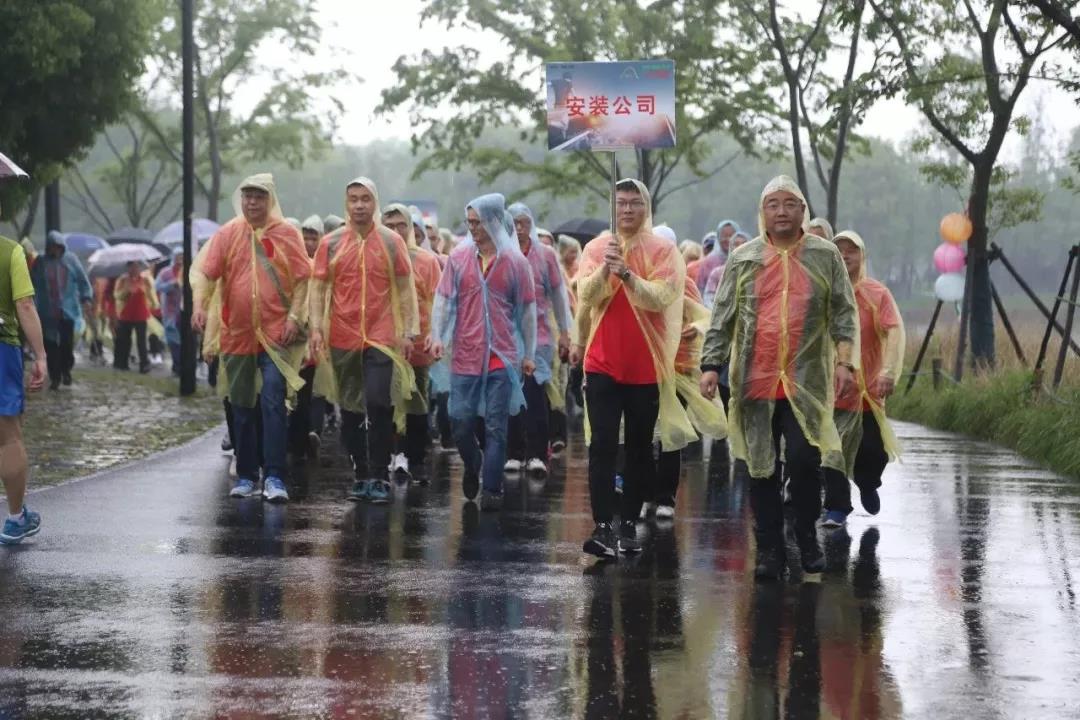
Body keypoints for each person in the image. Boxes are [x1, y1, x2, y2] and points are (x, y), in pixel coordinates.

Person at [700, 175, 858, 581]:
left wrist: (845, 362)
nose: (782, 212)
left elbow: (843, 311)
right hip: (755, 380)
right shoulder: (744, 258)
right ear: (763, 212)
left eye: (790, 204)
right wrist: (711, 364)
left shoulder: (824, 256)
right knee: (761, 467)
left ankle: (805, 535)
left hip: (806, 382)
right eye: (774, 204)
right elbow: (722, 315)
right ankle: (769, 548)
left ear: (803, 210)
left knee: (805, 461)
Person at [572, 179, 697, 559]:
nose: (627, 209)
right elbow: (586, 296)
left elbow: (662, 297)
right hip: (602, 362)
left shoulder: (664, 251)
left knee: (640, 447)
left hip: (645, 365)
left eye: (634, 203)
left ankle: (628, 521)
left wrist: (627, 274)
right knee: (602, 445)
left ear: (646, 208)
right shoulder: (597, 248)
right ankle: (602, 525)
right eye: (621, 203)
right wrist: (605, 270)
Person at [193, 173, 311, 503]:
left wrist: (294, 317)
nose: (252, 202)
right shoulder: (228, 233)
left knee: (273, 401)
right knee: (241, 405)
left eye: (259, 196)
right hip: (237, 334)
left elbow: (303, 279)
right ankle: (246, 475)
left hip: (276, 335)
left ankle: (274, 476)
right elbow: (206, 274)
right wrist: (199, 306)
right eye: (247, 196)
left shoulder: (287, 234)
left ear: (270, 199)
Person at [309, 178, 419, 504]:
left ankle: (380, 473)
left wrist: (408, 331)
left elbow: (405, 288)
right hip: (342, 335)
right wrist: (316, 328)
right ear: (347, 203)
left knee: (378, 400)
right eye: (354, 199)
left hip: (381, 335)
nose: (359, 205)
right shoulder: (330, 243)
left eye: (365, 199)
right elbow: (317, 289)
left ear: (375, 202)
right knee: (351, 407)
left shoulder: (391, 241)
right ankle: (360, 472)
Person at [431, 193, 537, 511]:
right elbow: (444, 301)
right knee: (460, 422)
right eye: (470, 223)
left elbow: (527, 311)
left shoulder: (516, 263)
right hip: (465, 353)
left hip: (502, 356)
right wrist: (437, 337)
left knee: (495, 426)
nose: (473, 229)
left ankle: (491, 489)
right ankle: (473, 461)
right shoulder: (458, 258)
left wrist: (529, 353)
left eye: (478, 222)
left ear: (494, 221)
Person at [822, 230, 904, 528]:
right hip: (830, 389)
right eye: (839, 250)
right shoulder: (823, 293)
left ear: (862, 256)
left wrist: (888, 371)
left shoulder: (877, 294)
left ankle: (867, 482)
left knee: (873, 451)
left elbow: (894, 331)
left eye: (851, 250)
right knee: (831, 451)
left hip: (867, 389)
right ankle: (837, 507)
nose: (844, 256)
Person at [645, 226, 727, 520]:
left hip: (677, 370)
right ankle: (644, 493)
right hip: (644, 369)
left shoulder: (685, 283)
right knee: (642, 434)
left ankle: (665, 497)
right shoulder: (638, 279)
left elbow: (704, 317)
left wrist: (695, 328)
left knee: (670, 434)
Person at [505, 202, 571, 476]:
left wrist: (565, 331)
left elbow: (559, 295)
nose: (519, 228)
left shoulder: (546, 255)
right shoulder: (502, 254)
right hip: (508, 338)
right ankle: (514, 453)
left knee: (534, 393)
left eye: (524, 222)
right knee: (510, 396)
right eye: (514, 223)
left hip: (540, 337)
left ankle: (536, 454)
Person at [383, 202, 443, 477]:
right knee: (385, 399)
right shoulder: (375, 256)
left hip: (417, 344)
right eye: (390, 226)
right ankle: (390, 454)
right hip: (382, 342)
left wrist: (435, 335)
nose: (396, 231)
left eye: (401, 226)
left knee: (416, 399)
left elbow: (438, 301)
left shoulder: (427, 261)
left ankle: (415, 458)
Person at [0, 228, 47, 545]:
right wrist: (40, 355)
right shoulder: (10, 251)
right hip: (2, 348)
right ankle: (16, 518)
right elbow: (25, 305)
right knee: (8, 436)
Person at [30, 231, 92, 390]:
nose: (55, 250)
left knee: (66, 344)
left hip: (67, 311)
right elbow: (31, 283)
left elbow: (82, 280)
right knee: (50, 346)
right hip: (47, 312)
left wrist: (86, 298)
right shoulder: (41, 262)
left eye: (58, 247)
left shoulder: (71, 260)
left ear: (62, 247)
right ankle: (55, 377)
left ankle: (66, 370)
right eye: (52, 247)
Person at [287, 214, 325, 460]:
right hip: (284, 340)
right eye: (305, 238)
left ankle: (300, 444)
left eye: (314, 238)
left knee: (303, 394)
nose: (309, 243)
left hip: (308, 343)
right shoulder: (288, 264)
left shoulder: (320, 268)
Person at [114, 261, 159, 373]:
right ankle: (122, 363)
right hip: (125, 313)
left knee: (141, 341)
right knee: (124, 340)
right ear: (128, 268)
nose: (135, 269)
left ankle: (144, 365)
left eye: (137, 267)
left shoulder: (145, 280)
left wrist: (155, 305)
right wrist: (126, 291)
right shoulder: (122, 279)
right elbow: (117, 295)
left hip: (140, 314)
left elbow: (150, 294)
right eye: (132, 267)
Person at [155, 250, 185, 375]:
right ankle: (177, 366)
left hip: (186, 311)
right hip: (170, 311)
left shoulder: (190, 270)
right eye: (178, 256)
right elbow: (158, 287)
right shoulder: (165, 272)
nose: (180, 259)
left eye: (182, 257)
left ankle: (184, 366)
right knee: (173, 340)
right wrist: (171, 285)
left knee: (186, 340)